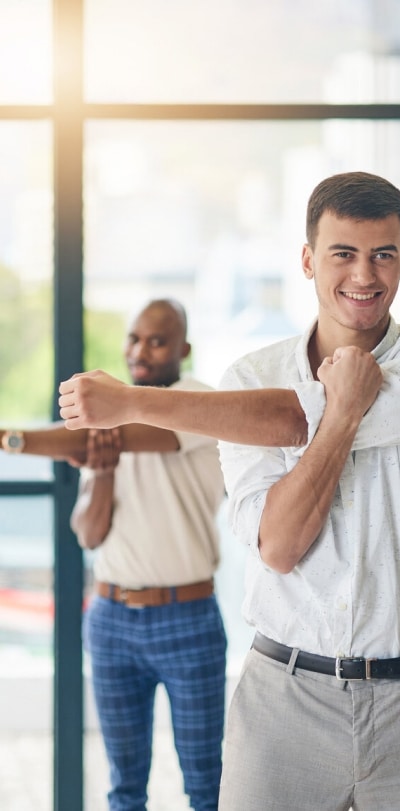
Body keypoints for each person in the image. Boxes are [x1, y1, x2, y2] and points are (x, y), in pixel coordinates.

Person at [58, 171, 400, 811]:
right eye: (344, 253)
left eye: (383, 254)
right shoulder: (250, 378)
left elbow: (292, 416)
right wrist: (343, 413)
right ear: (309, 260)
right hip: (283, 700)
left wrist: (129, 403)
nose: (365, 275)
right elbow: (280, 547)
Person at [2, 298, 228, 811]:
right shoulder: (108, 425)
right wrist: (100, 470)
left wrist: (8, 439)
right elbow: (88, 532)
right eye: (134, 337)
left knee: (206, 785)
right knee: (124, 789)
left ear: (183, 349)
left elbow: (131, 436)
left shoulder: (194, 401)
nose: (140, 350)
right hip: (111, 620)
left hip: (187, 619)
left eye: (157, 340)